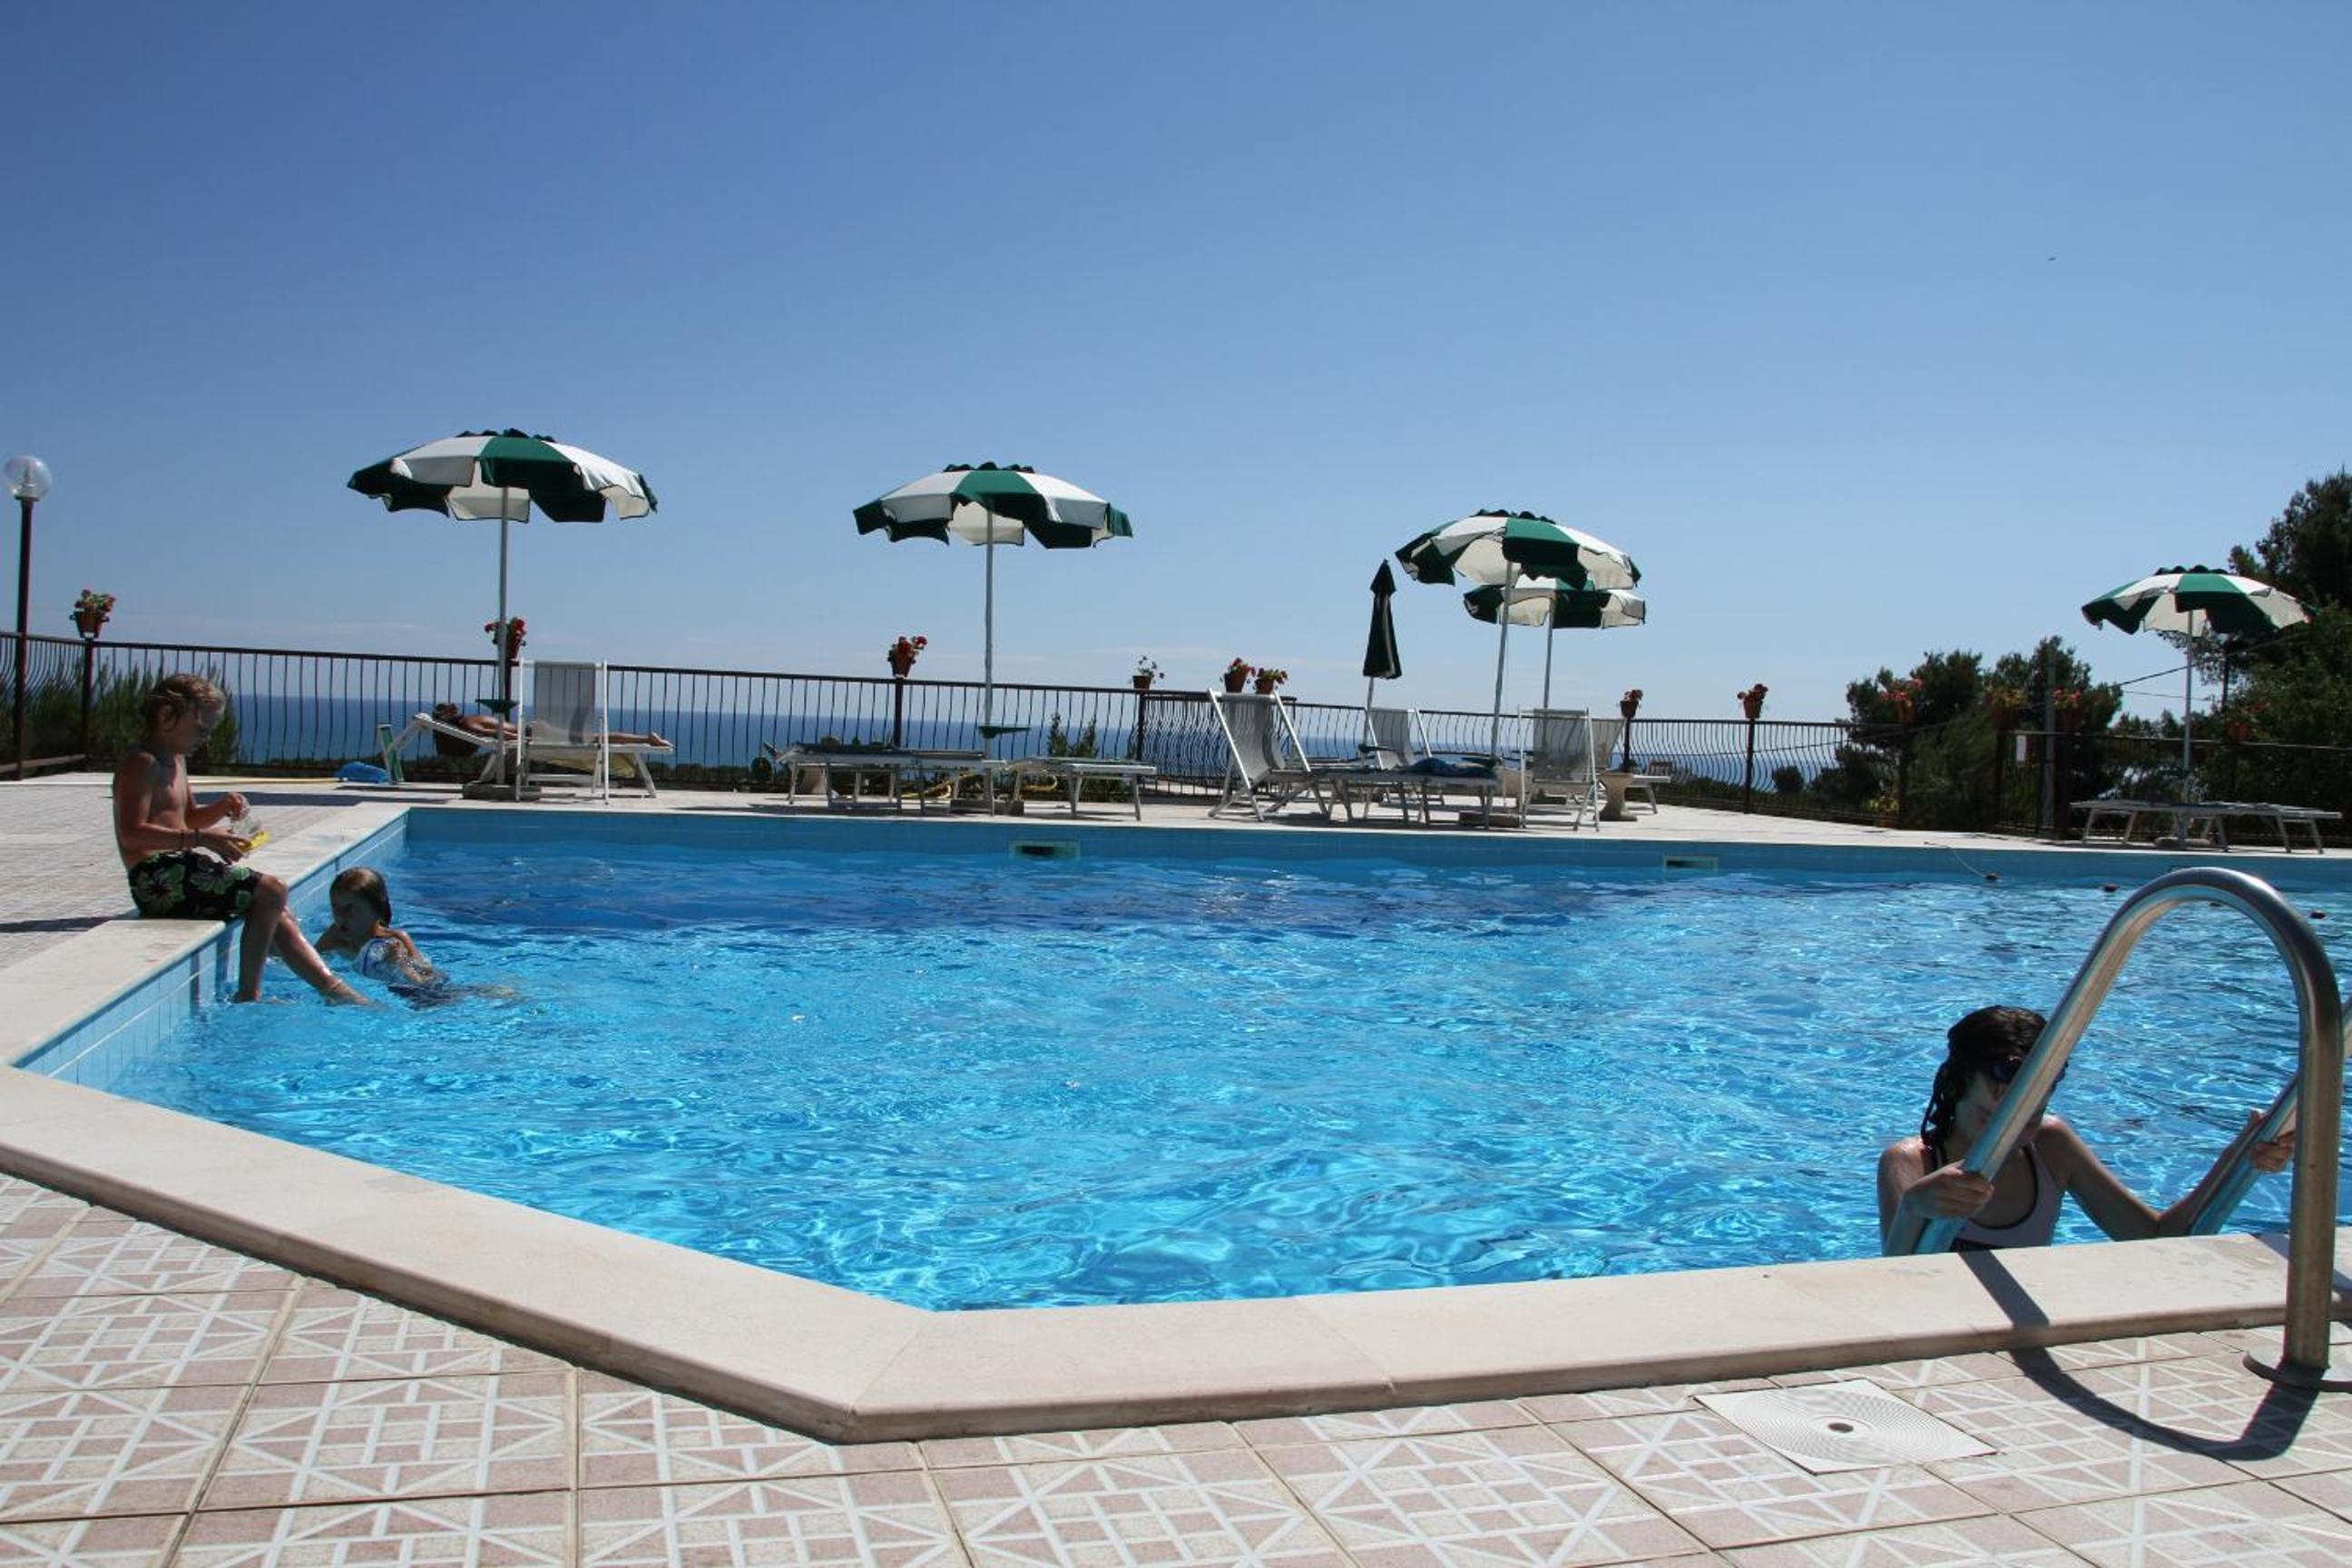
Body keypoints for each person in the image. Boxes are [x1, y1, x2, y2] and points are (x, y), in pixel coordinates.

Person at [1879, 1004, 2295, 1253]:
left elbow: (2156, 1237)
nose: (2011, 1131)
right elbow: (1897, 1280)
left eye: (2029, 1116)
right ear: (1957, 1086)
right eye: (1992, 1117)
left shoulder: (2050, 1146)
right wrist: (1916, 1207)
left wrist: (2240, 1159)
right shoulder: (1912, 1162)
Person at [113, 674, 363, 1004]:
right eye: (200, 729)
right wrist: (200, 838)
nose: (206, 739)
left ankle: (332, 989)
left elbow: (187, 817)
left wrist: (221, 807)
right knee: (271, 890)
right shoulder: (142, 763)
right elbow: (131, 834)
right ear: (166, 716)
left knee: (278, 909)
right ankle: (250, 995)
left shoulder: (176, 761)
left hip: (177, 870)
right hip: (153, 880)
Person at [315, 867, 441, 989]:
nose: (340, 915)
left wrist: (400, 965)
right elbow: (310, 964)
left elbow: (427, 981)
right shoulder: (335, 936)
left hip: (410, 992)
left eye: (350, 908)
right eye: (335, 906)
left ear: (376, 910)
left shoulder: (394, 940)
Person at [428, 701, 667, 754]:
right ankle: (646, 738)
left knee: (595, 739)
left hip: (534, 732)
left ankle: (646, 739)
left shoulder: (468, 724)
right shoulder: (471, 719)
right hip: (533, 729)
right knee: (593, 738)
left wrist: (522, 740)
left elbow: (495, 733)